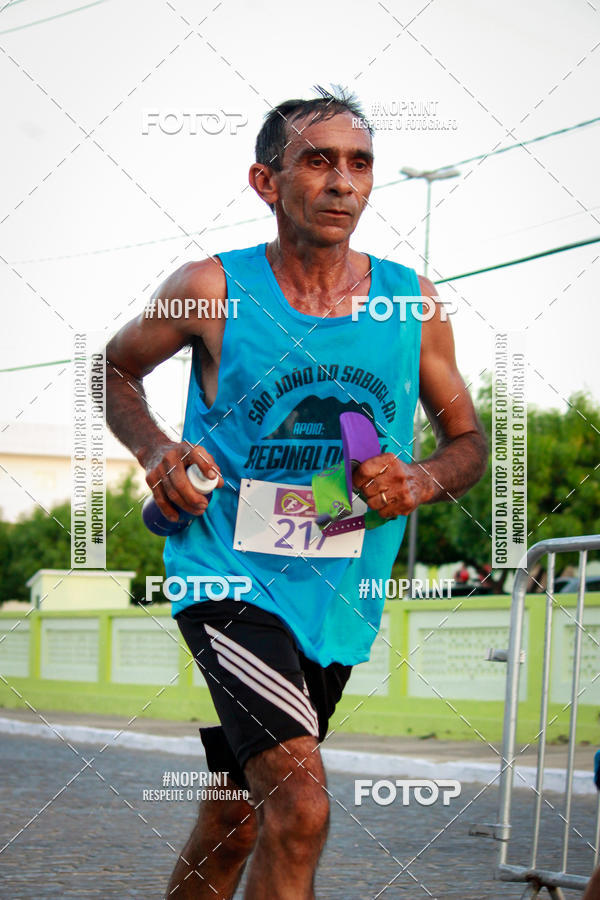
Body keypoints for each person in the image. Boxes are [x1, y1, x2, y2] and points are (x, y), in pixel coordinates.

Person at [105, 86, 487, 900]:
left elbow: (469, 444)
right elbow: (114, 368)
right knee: (301, 805)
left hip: (336, 593)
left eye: (359, 164)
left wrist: (420, 477)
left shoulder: (410, 301)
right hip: (226, 577)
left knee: (235, 816)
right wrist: (156, 447)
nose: (343, 181)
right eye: (317, 161)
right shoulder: (211, 288)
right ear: (266, 181)